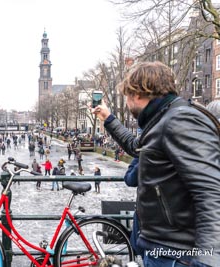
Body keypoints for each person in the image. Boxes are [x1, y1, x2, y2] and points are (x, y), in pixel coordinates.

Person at [92, 61, 220, 267]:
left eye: (127, 95)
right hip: (163, 248)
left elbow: (211, 192)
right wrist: (108, 119)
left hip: (175, 254)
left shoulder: (179, 120)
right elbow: (136, 146)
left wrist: (208, 260)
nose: (126, 102)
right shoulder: (162, 119)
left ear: (138, 93)